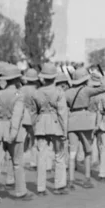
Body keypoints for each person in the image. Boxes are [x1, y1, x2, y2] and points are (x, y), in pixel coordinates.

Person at [0, 64, 34, 202]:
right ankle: (20, 191)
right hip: (14, 131)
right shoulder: (19, 95)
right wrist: (13, 134)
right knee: (17, 163)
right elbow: (17, 116)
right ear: (16, 79)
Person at [65, 67, 105, 188]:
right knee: (87, 151)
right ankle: (87, 179)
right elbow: (104, 87)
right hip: (85, 121)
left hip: (72, 121)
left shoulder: (67, 92)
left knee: (72, 153)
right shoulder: (86, 90)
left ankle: (71, 181)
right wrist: (101, 76)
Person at [33, 63, 69, 196]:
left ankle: (41, 188)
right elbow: (62, 113)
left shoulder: (37, 92)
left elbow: (34, 110)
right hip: (56, 125)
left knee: (41, 156)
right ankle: (59, 186)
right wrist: (64, 131)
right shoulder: (59, 92)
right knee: (59, 155)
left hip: (41, 123)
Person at [20, 68, 40, 170]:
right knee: (34, 141)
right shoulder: (37, 91)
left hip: (22, 116)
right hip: (34, 116)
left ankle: (19, 161)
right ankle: (33, 163)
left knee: (21, 140)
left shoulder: (21, 89)